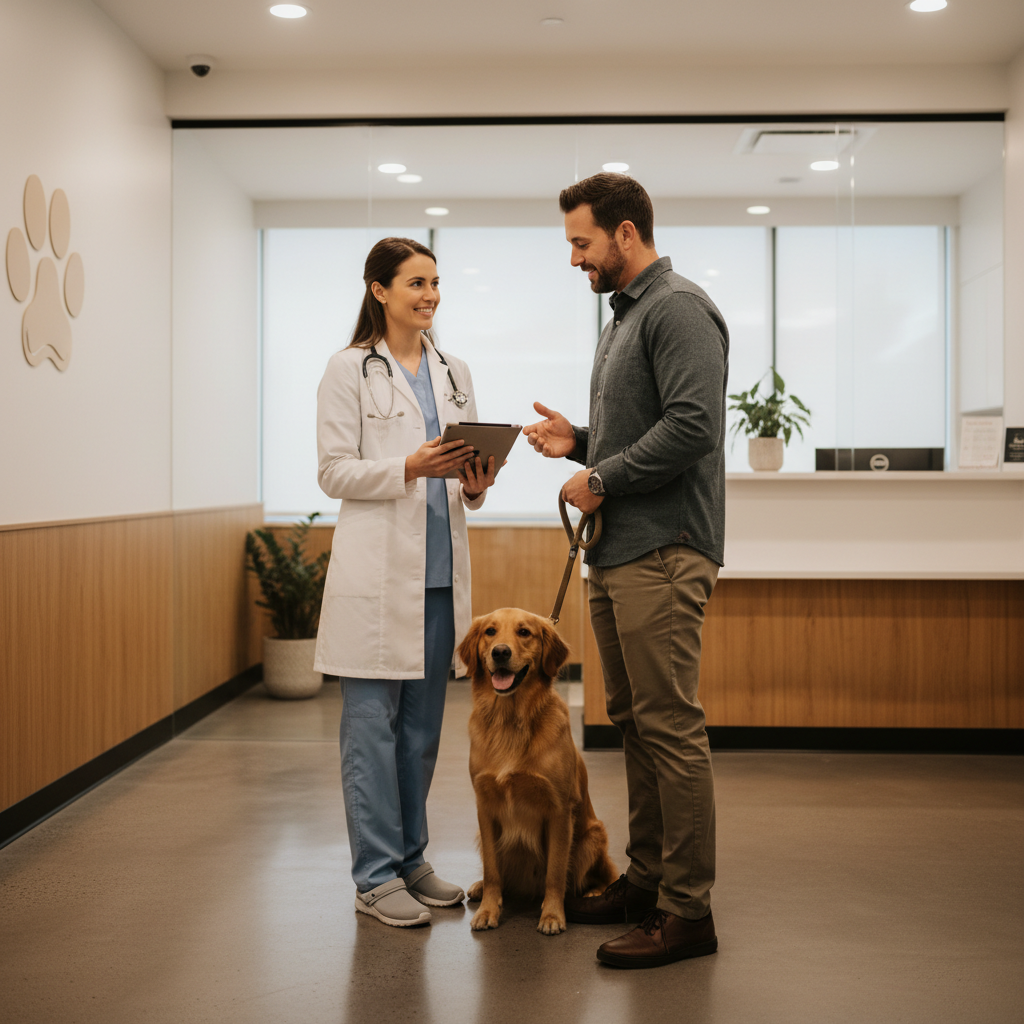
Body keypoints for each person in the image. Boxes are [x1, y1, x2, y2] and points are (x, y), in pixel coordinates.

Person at [523, 173, 729, 969]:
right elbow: (644, 426)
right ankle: (646, 882)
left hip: (664, 549)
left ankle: (687, 911)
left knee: (670, 727)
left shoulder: (677, 308)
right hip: (618, 552)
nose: (575, 258)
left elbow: (694, 426)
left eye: (582, 242)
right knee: (636, 724)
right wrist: (579, 442)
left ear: (626, 234)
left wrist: (601, 475)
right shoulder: (625, 317)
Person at [315, 237, 498, 928]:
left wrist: (476, 483)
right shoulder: (348, 369)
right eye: (416, 283)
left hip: (441, 579)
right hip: (377, 579)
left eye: (435, 282)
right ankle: (373, 875)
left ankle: (411, 861)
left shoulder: (455, 371)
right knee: (372, 732)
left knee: (420, 734)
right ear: (379, 289)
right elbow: (333, 471)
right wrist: (410, 468)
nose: (430, 295)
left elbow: (465, 480)